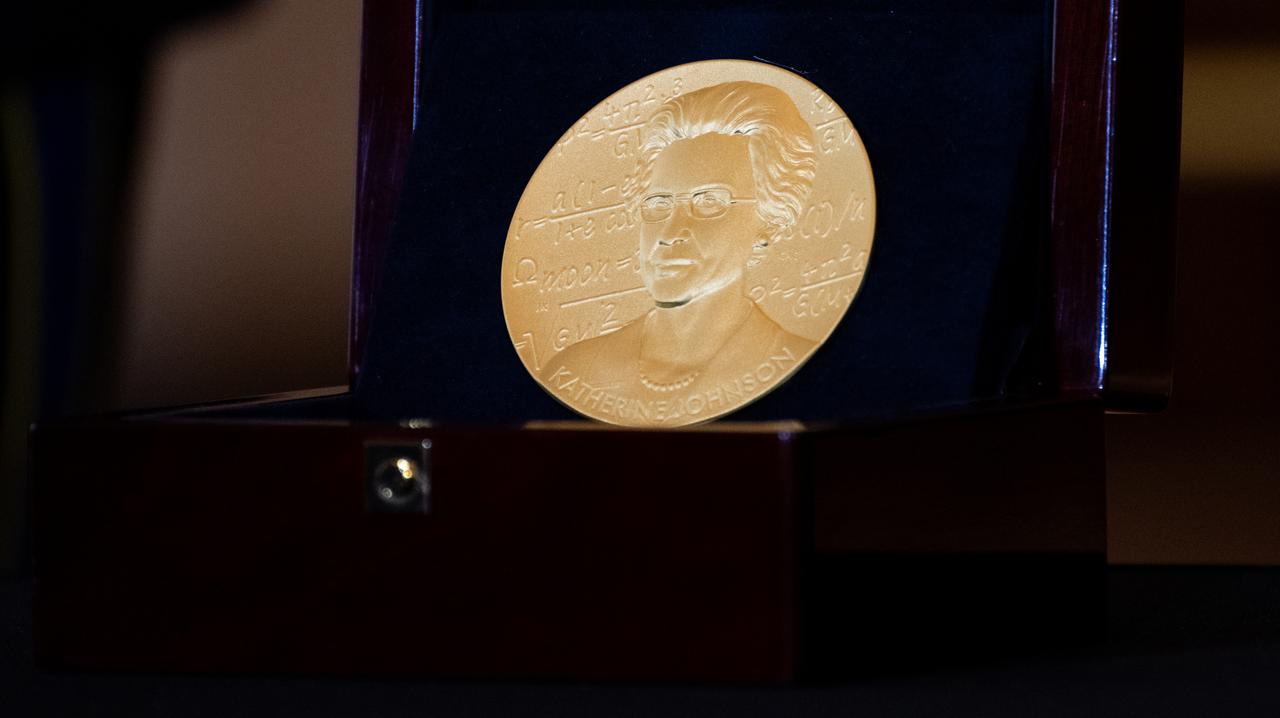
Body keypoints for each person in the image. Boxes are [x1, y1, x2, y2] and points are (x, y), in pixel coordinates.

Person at [541, 81, 818, 421]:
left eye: (709, 201)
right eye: (659, 203)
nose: (670, 233)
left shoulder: (798, 360)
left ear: (769, 219)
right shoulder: (576, 367)